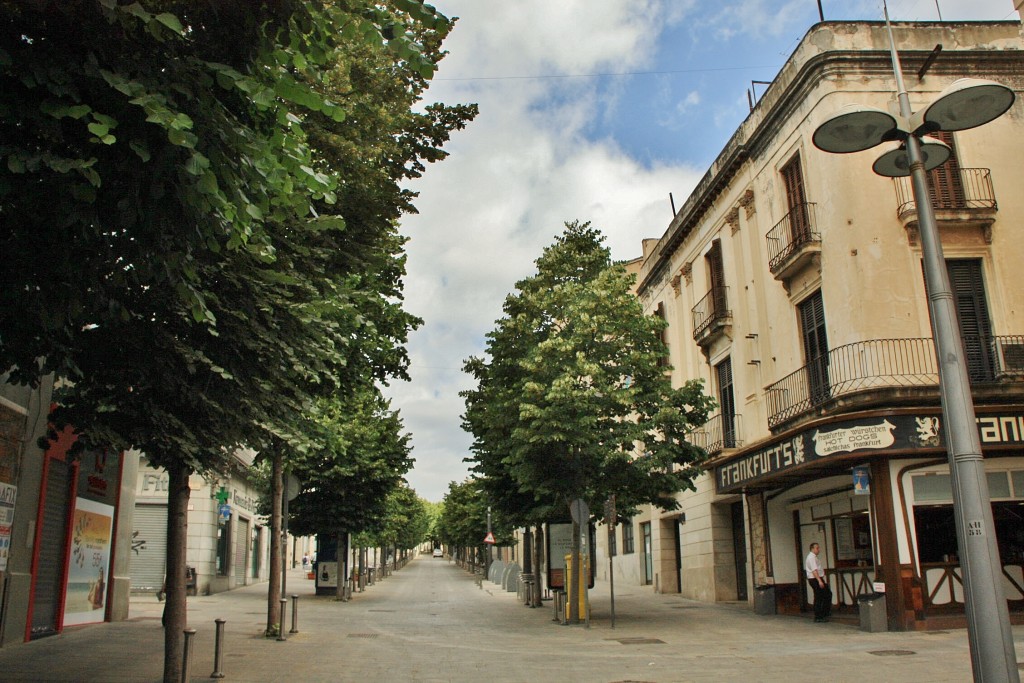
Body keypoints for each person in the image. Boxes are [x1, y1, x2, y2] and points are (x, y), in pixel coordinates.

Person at [804, 542, 832, 622]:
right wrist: (819, 581)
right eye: (817, 548)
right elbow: (814, 570)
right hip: (815, 579)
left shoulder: (813, 557)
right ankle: (819, 615)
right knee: (820, 596)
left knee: (825, 594)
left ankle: (823, 613)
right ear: (812, 549)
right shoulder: (811, 558)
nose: (818, 550)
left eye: (818, 548)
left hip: (816, 578)